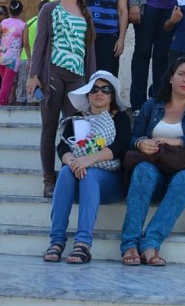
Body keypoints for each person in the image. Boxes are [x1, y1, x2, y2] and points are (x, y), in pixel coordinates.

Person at [121, 56, 185, 265]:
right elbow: (132, 138)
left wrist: (178, 141)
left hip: (181, 169)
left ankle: (151, 244)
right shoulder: (151, 106)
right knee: (143, 170)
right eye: (181, 74)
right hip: (152, 168)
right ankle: (130, 243)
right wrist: (140, 143)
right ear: (171, 78)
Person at [43, 70, 132, 264]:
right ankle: (56, 241)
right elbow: (63, 146)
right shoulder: (77, 118)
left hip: (110, 180)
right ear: (88, 94)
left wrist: (88, 160)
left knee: (89, 175)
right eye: (94, 89)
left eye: (105, 89)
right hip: (78, 174)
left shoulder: (120, 118)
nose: (99, 93)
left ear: (112, 95)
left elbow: (121, 147)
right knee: (66, 171)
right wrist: (73, 162)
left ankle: (83, 244)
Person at [27, 0, 97, 198]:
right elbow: (40, 44)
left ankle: (76, 172)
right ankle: (49, 178)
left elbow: (90, 52)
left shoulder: (86, 13)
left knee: (79, 128)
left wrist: (92, 83)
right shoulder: (50, 9)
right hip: (52, 74)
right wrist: (34, 75)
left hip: (77, 77)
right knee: (49, 127)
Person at [0, 0, 26, 106]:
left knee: (6, 83)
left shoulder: (3, 22)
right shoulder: (23, 25)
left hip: (1, 56)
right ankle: (0, 107)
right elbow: (25, 44)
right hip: (13, 58)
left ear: (9, 11)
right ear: (21, 11)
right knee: (6, 85)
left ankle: (5, 104)